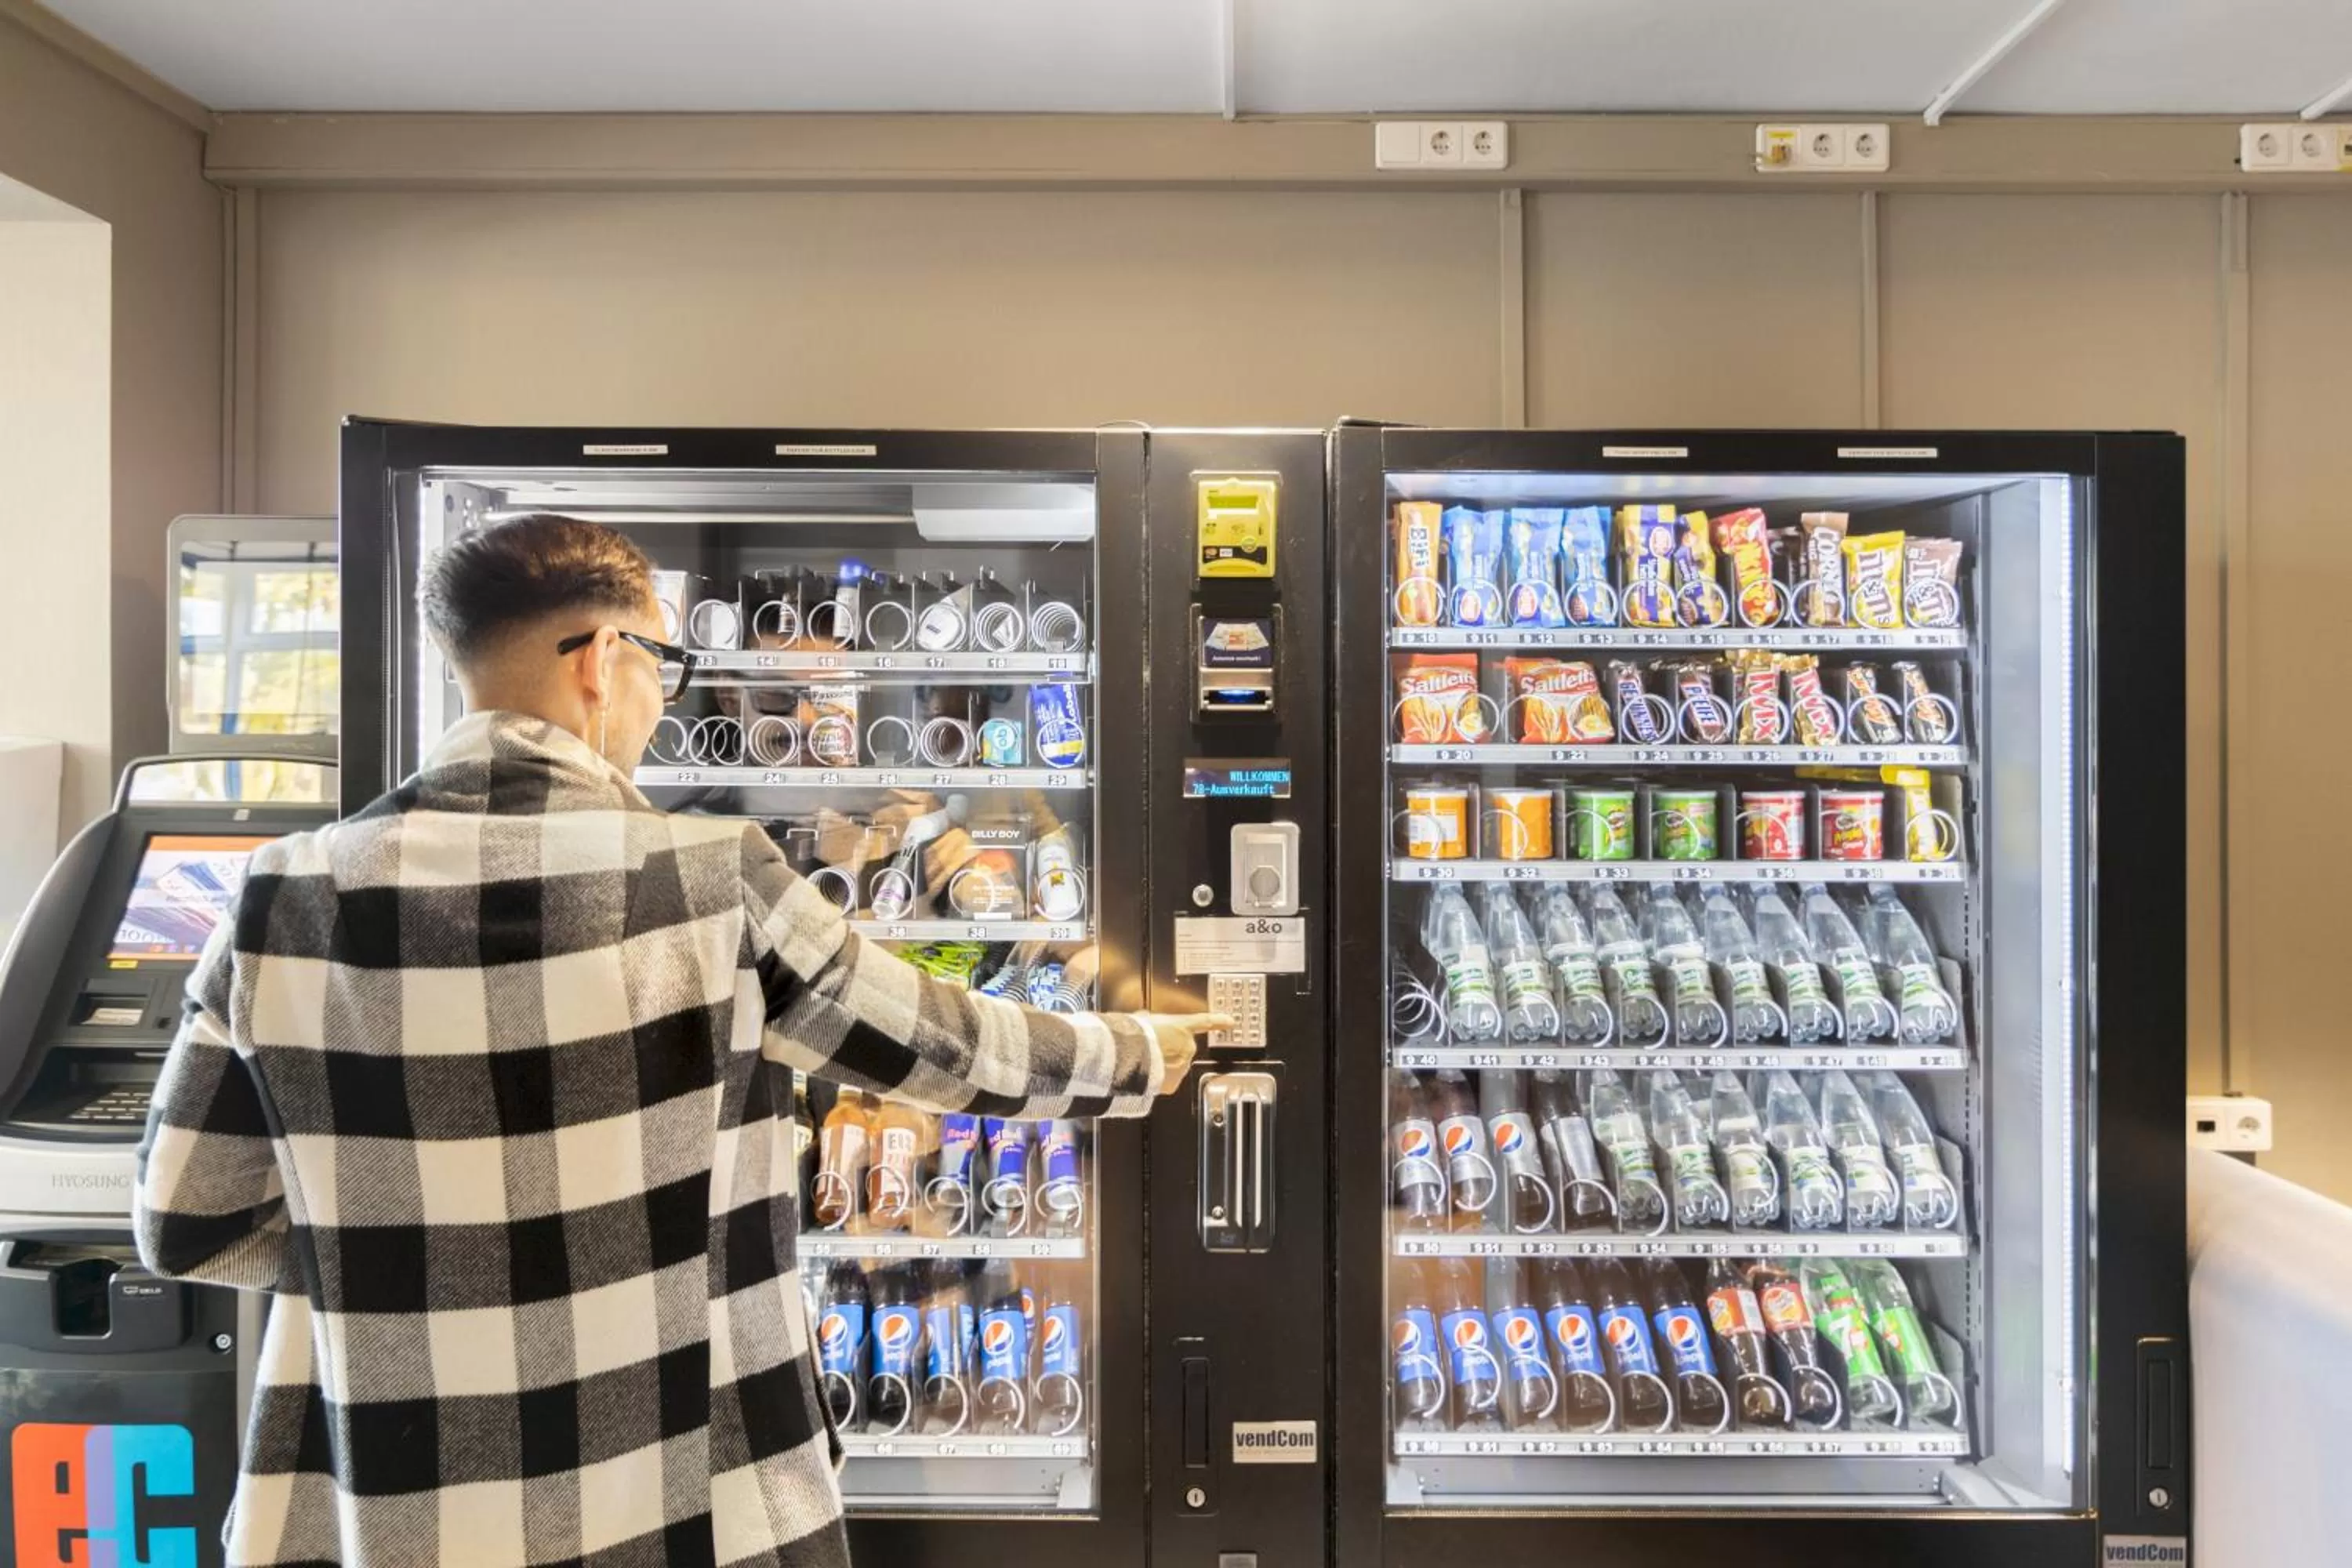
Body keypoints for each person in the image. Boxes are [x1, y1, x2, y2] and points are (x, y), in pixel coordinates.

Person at [133, 514, 1221, 1567]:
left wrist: (421, 1249)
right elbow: (939, 1044)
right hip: (685, 1495)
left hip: (386, 1506)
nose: (663, 697)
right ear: (604, 659)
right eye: (665, 660)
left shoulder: (279, 898)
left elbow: (185, 1222)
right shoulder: (710, 880)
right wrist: (1136, 1052)